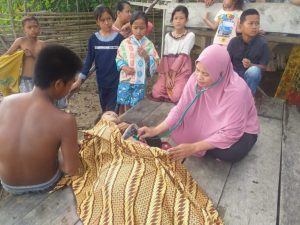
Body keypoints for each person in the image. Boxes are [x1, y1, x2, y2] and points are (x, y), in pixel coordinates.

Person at [139, 45, 259, 163]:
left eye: (206, 74)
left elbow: (232, 131)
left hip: (242, 129)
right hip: (209, 121)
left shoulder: (237, 91)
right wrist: (154, 130)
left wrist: (194, 148)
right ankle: (207, 142)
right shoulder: (195, 79)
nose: (199, 77)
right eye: (197, 70)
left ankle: (205, 144)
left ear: (221, 73)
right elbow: (180, 109)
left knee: (230, 153)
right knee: (178, 126)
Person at [0, 45, 82, 194]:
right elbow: (71, 170)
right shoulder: (65, 120)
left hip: (8, 184)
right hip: (44, 184)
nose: (72, 87)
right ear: (58, 84)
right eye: (71, 83)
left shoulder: (6, 102)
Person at [71, 5, 124, 112]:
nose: (106, 22)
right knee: (105, 109)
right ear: (97, 22)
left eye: (109, 19)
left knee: (112, 112)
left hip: (117, 82)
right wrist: (79, 80)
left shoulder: (119, 39)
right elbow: (88, 60)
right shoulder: (94, 39)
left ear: (113, 18)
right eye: (102, 20)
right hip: (102, 82)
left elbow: (125, 58)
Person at [116, 11, 159, 113]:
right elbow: (118, 58)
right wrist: (124, 67)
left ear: (146, 28)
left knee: (137, 106)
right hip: (126, 80)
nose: (138, 31)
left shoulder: (148, 45)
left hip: (139, 82)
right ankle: (125, 124)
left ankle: (135, 125)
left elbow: (156, 61)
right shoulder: (125, 43)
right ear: (131, 27)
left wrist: (147, 57)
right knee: (125, 105)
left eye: (142, 28)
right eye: (135, 28)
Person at [151, 5, 195, 103]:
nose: (178, 21)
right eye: (175, 18)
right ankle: (168, 89)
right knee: (156, 92)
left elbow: (183, 56)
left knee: (176, 96)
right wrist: (167, 77)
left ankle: (172, 91)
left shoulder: (190, 36)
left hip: (181, 70)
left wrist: (173, 76)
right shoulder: (168, 36)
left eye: (181, 18)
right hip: (167, 69)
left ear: (186, 20)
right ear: (172, 20)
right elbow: (165, 56)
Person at [227, 9, 270, 95]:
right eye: (250, 23)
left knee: (254, 71)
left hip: (249, 77)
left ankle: (248, 97)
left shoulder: (263, 44)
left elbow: (264, 67)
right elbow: (227, 61)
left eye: (257, 23)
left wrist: (251, 65)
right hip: (233, 75)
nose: (254, 27)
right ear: (241, 26)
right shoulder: (234, 42)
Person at [4, 16, 46, 93]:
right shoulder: (20, 41)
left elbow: (46, 62)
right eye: (29, 27)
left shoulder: (42, 44)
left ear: (39, 28)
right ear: (24, 30)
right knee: (27, 103)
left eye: (35, 26)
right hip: (26, 79)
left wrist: (32, 55)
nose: (33, 29)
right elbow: (7, 56)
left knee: (39, 102)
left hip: (41, 79)